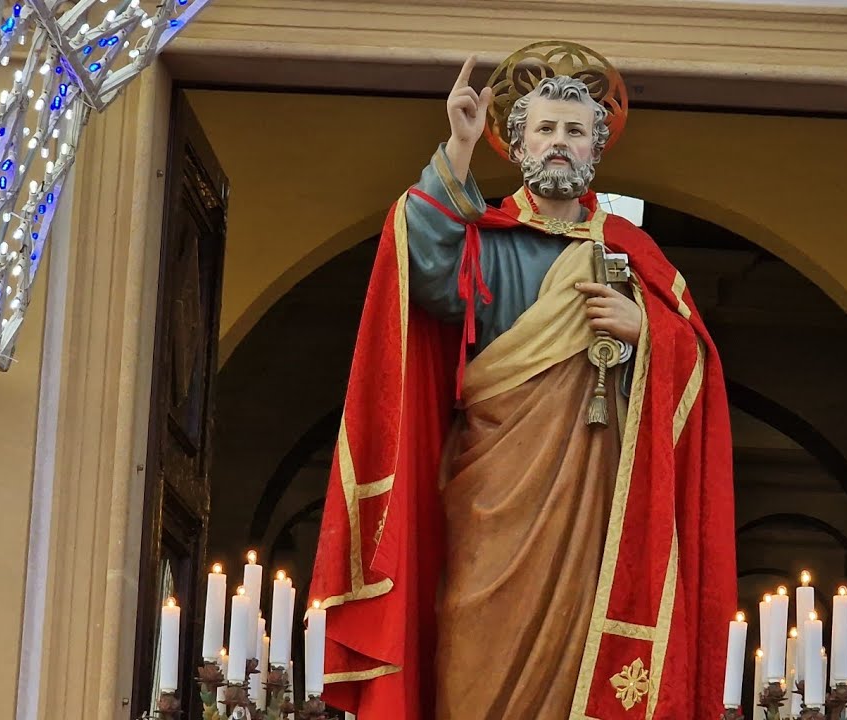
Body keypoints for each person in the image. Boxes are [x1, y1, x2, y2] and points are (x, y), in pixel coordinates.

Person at [308, 42, 736, 720]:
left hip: (594, 506)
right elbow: (421, 266)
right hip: (493, 496)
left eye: (574, 130)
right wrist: (457, 147)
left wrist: (646, 334)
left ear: (595, 147)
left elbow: (698, 381)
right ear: (518, 142)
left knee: (581, 643)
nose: (559, 142)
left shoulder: (633, 257)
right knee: (473, 646)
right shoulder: (490, 242)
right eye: (545, 128)